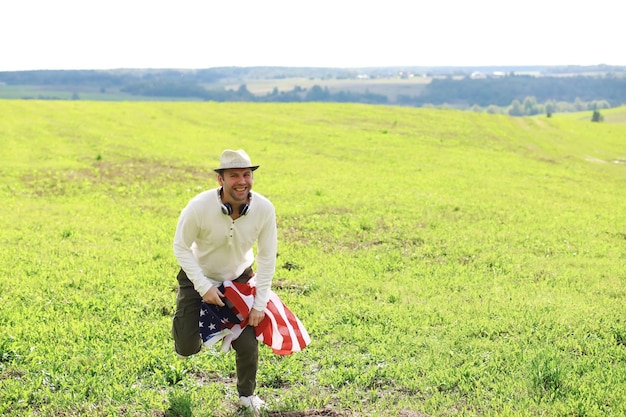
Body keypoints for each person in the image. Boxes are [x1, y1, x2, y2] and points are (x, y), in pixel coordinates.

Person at [172, 149, 277, 413]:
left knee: (248, 343)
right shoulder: (198, 207)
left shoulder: (264, 209)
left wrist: (259, 304)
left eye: (247, 174)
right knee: (186, 347)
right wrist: (204, 287)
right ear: (221, 180)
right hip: (198, 278)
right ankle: (197, 330)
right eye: (234, 176)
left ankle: (247, 396)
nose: (242, 181)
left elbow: (266, 259)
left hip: (238, 279)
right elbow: (180, 247)